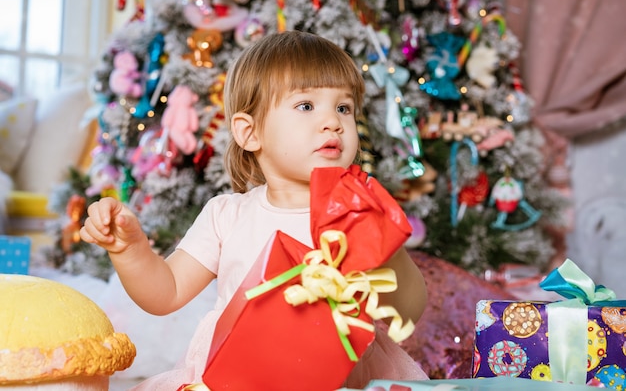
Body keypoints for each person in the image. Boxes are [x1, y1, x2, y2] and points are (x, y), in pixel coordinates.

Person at [80, 30, 428, 389]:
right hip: (238, 376)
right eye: (306, 106)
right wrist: (130, 251)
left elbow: (409, 310)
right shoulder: (227, 215)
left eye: (344, 107)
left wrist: (387, 252)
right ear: (250, 133)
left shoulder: (357, 215)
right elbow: (165, 293)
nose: (333, 122)